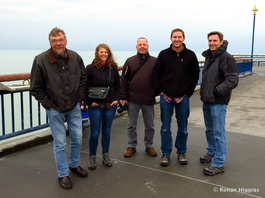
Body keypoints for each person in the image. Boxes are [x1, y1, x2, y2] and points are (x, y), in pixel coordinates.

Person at [30, 27, 88, 190]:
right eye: (54, 41)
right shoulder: (41, 60)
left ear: (66, 41)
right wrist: (49, 105)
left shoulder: (75, 57)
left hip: (74, 107)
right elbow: (36, 88)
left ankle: (74, 165)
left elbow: (84, 78)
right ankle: (63, 174)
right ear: (50, 42)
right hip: (55, 109)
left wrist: (78, 97)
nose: (58, 43)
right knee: (60, 143)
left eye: (61, 40)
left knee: (77, 137)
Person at [153, 28, 200, 167]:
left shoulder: (190, 55)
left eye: (179, 37)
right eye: (174, 37)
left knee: (183, 127)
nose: (177, 39)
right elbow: (156, 73)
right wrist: (160, 91)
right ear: (171, 38)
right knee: (165, 127)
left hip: (183, 97)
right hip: (166, 97)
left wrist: (188, 92)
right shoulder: (163, 54)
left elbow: (195, 75)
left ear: (184, 38)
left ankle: (181, 151)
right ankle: (166, 153)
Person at [200, 31, 238, 176]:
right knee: (209, 130)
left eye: (215, 40)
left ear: (221, 42)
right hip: (207, 100)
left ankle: (219, 163)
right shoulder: (210, 57)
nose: (212, 43)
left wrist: (216, 91)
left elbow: (233, 79)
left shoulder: (226, 58)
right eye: (210, 40)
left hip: (218, 102)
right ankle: (212, 152)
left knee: (218, 132)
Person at [83, 43, 120, 170]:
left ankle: (105, 155)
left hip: (110, 104)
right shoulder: (90, 68)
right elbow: (84, 87)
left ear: (108, 54)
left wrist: (116, 99)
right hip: (95, 105)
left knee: (106, 131)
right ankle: (92, 156)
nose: (104, 54)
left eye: (106, 52)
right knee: (94, 132)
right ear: (97, 53)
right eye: (101, 52)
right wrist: (88, 102)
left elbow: (117, 85)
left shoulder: (113, 68)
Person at [120, 37, 157, 158]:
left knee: (150, 125)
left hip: (148, 98)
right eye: (140, 44)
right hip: (132, 98)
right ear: (136, 47)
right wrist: (123, 97)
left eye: (144, 44)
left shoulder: (154, 61)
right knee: (131, 124)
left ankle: (149, 145)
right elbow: (124, 79)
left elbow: (159, 79)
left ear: (148, 46)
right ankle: (131, 146)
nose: (142, 46)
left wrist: (157, 92)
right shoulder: (130, 61)